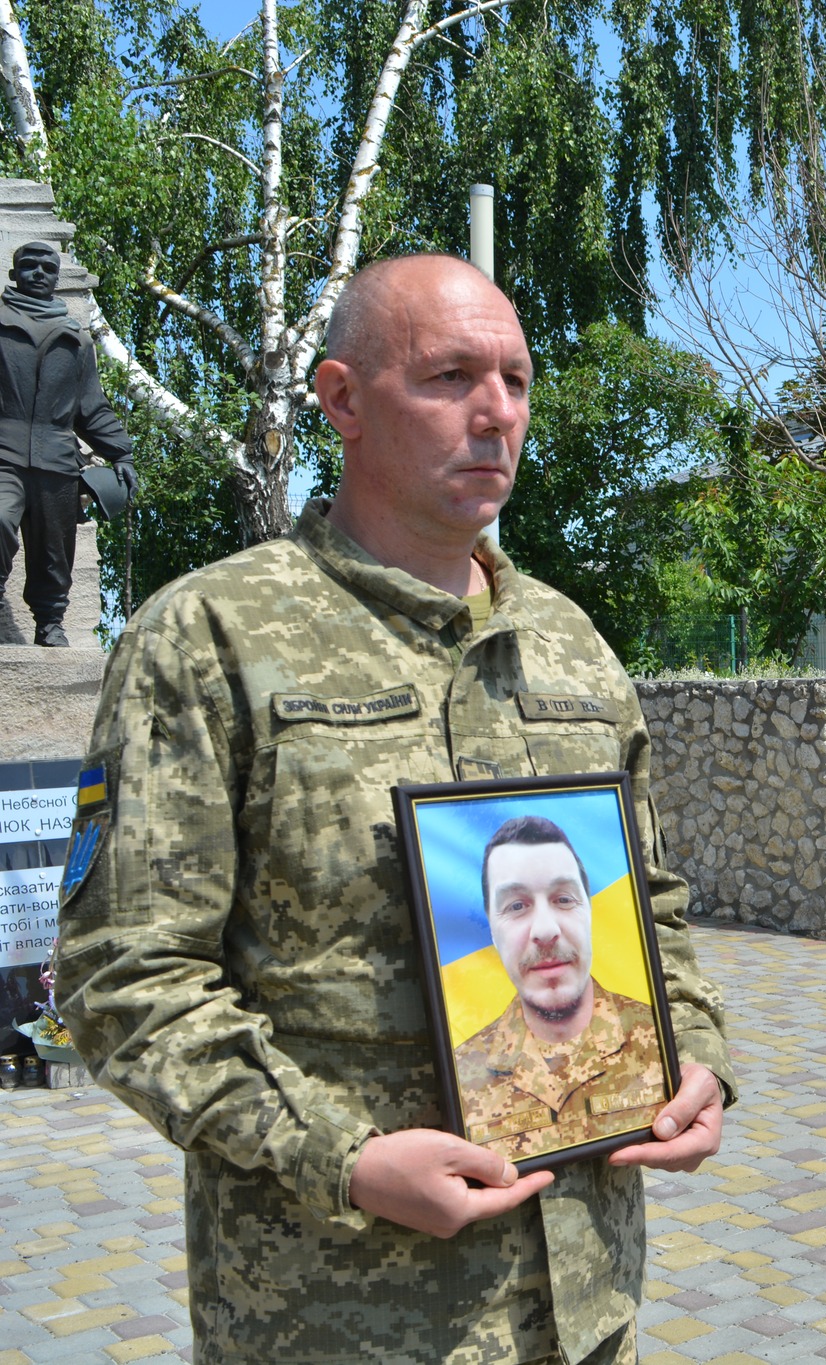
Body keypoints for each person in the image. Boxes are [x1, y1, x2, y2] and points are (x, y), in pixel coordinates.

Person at [52, 254, 734, 1365]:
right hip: (338, 1315)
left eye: (516, 380)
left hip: (583, 1303)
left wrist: (692, 1057)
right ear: (341, 400)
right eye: (451, 375)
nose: (496, 414)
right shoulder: (213, 638)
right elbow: (124, 977)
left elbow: (649, 904)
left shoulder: (568, 640)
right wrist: (343, 1156)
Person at [454, 816, 671, 1160]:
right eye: (516, 906)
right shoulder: (460, 1074)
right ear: (492, 931)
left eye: (564, 899)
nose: (544, 929)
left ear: (589, 910)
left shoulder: (662, 1041)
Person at [0, 240, 135, 647]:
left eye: (47, 267)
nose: (38, 272)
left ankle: (50, 623)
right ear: (14, 274)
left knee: (55, 549)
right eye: (29, 265)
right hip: (4, 452)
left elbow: (91, 408)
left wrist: (121, 452)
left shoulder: (77, 340)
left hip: (57, 460)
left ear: (57, 278)